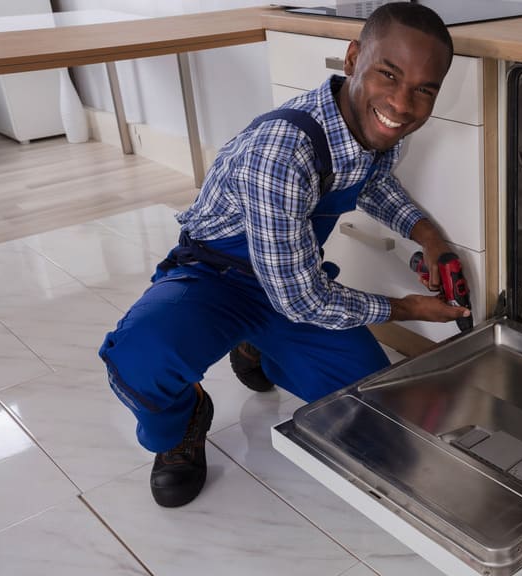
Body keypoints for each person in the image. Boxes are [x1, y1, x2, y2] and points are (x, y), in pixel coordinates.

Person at [99, 3, 468, 509]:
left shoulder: (377, 129)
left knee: (370, 412)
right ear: (353, 58)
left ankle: (257, 345)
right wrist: (406, 309)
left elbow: (371, 183)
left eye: (424, 89)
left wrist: (429, 237)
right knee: (144, 359)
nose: (403, 105)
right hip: (216, 278)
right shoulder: (284, 150)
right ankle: (183, 422)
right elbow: (303, 302)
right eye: (389, 74)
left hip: (292, 280)